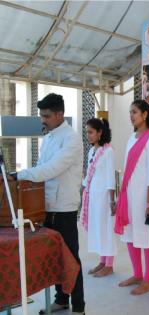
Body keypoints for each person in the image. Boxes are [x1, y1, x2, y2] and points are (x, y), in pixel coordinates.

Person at [13, 93, 85, 314]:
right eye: (41, 116)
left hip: (64, 208)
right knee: (53, 257)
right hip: (46, 208)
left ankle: (78, 306)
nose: (43, 120)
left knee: (71, 258)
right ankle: (61, 299)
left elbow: (52, 169)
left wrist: (20, 174)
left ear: (59, 114)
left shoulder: (71, 139)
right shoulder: (49, 138)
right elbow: (41, 166)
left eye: (46, 116)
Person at [114, 99, 149, 296]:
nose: (131, 116)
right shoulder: (131, 138)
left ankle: (148, 280)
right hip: (129, 194)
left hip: (145, 195)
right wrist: (122, 195)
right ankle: (137, 274)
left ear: (145, 115)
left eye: (134, 112)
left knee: (146, 235)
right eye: (130, 112)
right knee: (130, 233)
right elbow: (127, 169)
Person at [80, 118, 117, 277]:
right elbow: (89, 173)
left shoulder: (109, 151)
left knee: (107, 228)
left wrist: (111, 200)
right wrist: (82, 189)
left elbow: (110, 177)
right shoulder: (91, 151)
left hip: (104, 196)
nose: (88, 135)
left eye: (90, 132)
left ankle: (109, 264)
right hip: (92, 195)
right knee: (98, 228)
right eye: (87, 132)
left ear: (100, 133)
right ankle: (102, 261)